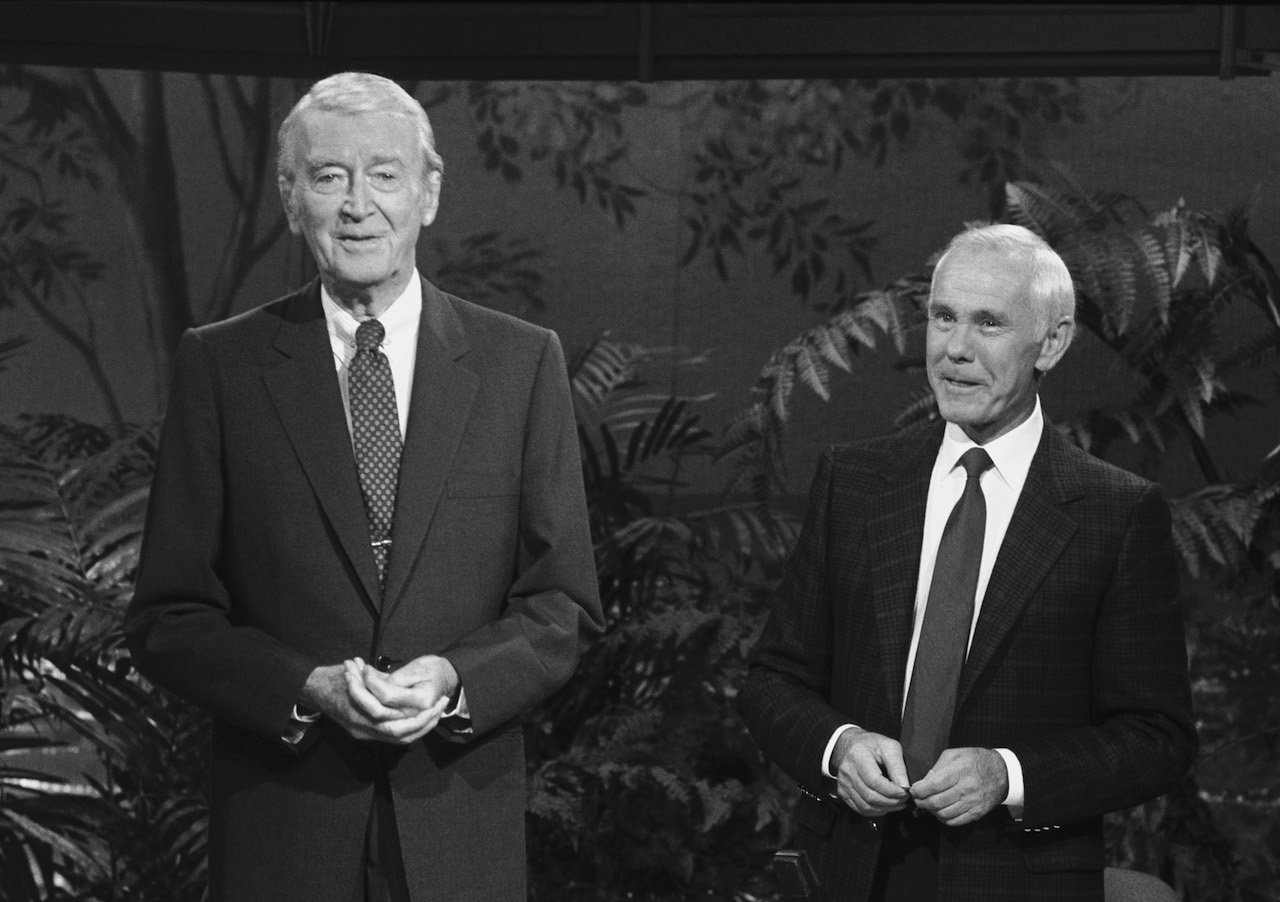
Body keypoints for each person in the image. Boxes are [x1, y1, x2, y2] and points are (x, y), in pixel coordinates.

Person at [124, 72, 602, 902]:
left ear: (428, 193)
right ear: (290, 195)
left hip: (458, 823)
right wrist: (305, 686)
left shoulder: (522, 363)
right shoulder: (222, 367)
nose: (357, 204)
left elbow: (563, 607)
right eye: (327, 176)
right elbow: (169, 617)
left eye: (384, 173)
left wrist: (454, 679)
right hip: (285, 829)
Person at [738, 224, 1196, 901]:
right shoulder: (855, 481)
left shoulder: (1116, 514)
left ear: (1054, 341)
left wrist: (1006, 774)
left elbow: (1157, 738)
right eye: (944, 317)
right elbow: (773, 679)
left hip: (1015, 878)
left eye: (988, 323)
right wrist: (838, 748)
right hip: (851, 871)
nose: (954, 350)